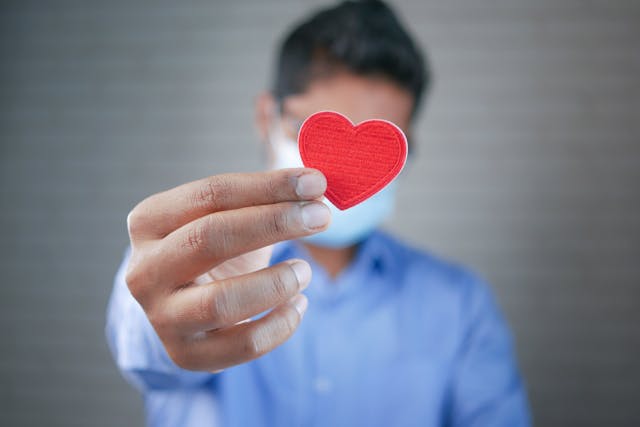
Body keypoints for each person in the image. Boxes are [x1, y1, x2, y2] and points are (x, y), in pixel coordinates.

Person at [106, 1, 531, 426]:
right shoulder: (194, 262)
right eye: (315, 128)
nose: (340, 168)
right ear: (265, 117)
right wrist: (168, 315)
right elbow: (144, 342)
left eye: (379, 145)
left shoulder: (459, 304)